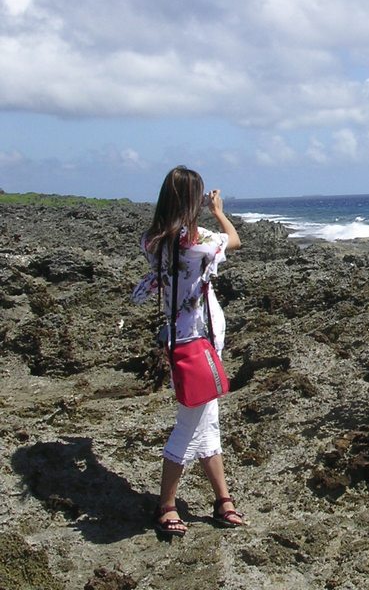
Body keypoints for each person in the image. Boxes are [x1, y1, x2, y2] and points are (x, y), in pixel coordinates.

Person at [132, 166, 244, 537]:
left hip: (176, 339)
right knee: (189, 426)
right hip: (199, 341)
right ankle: (166, 504)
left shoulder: (151, 239)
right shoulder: (195, 240)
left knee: (206, 419)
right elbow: (235, 240)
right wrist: (219, 212)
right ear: (193, 200)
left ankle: (222, 499)